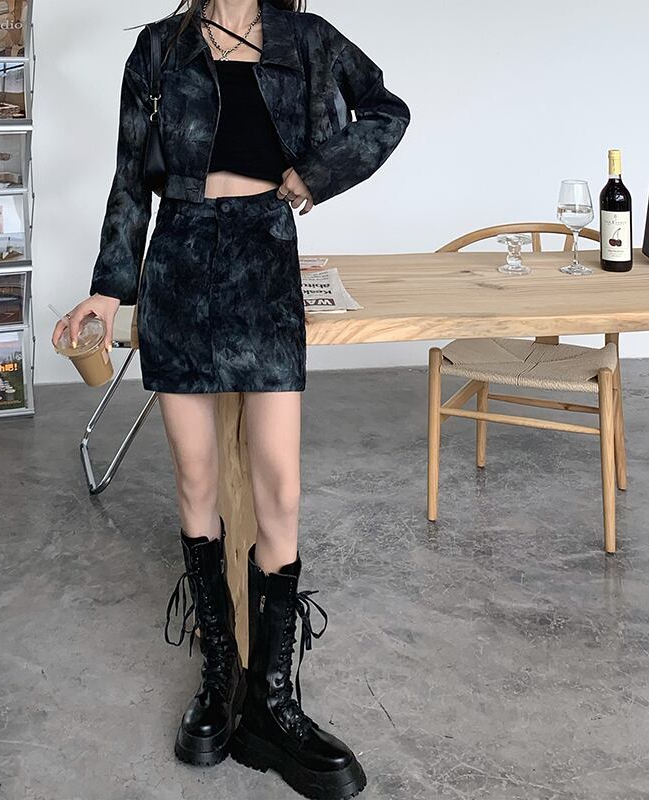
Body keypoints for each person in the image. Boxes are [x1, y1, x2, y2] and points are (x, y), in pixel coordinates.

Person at [53, 1, 409, 797]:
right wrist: (108, 289)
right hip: (178, 262)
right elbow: (129, 175)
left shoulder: (307, 40)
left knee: (280, 485)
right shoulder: (159, 48)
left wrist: (318, 173)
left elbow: (387, 111)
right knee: (196, 480)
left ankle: (273, 703)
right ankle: (221, 678)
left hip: (264, 257)